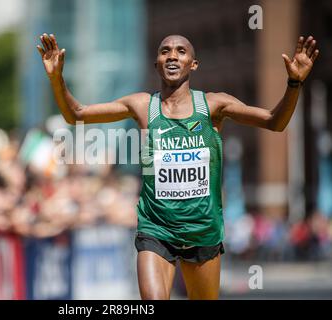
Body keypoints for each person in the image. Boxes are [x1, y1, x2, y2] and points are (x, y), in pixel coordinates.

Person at [36, 33, 319, 300]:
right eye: (165, 51)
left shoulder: (213, 105)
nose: (172, 56)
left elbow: (274, 121)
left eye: (181, 51)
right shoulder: (142, 105)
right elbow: (77, 114)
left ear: (193, 64)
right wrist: (56, 79)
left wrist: (294, 84)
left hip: (203, 229)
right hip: (156, 229)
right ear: (156, 63)